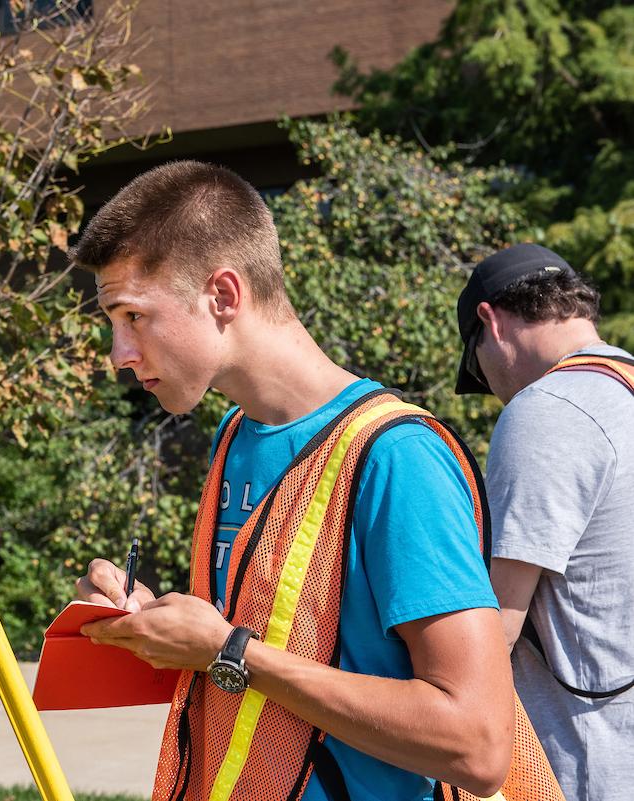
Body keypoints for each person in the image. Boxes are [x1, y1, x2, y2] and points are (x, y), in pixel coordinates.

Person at [69, 160, 516, 801]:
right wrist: (158, 628)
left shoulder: (398, 457)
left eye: (133, 316)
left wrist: (228, 651)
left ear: (223, 295)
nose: (119, 354)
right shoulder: (235, 436)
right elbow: (276, 644)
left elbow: (476, 745)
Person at [454, 243, 634, 801]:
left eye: (477, 369)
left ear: (490, 322)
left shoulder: (546, 408)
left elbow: (492, 632)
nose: (491, 390)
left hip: (588, 764)